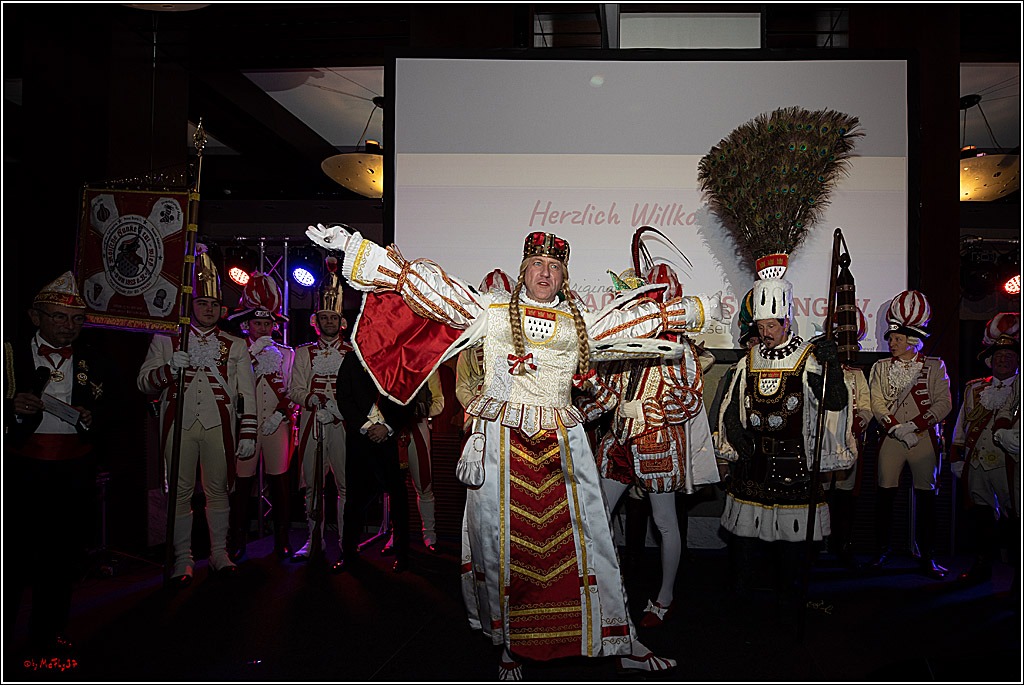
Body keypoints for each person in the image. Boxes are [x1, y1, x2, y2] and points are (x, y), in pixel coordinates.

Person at [307, 222, 722, 678]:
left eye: (555, 267)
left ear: (565, 276)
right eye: (537, 265)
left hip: (564, 450)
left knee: (590, 546)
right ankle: (509, 647)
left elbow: (630, 320)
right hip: (502, 450)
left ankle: (615, 639)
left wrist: (691, 309)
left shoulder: (579, 322)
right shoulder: (491, 309)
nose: (545, 273)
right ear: (523, 270)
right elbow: (430, 289)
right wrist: (355, 247)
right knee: (504, 552)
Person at [576, 266, 719, 628]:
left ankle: (664, 597)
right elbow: (611, 398)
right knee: (597, 515)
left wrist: (647, 409)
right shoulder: (620, 342)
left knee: (666, 523)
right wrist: (585, 394)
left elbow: (690, 398)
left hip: (657, 446)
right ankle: (600, 587)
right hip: (619, 442)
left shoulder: (678, 343)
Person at [714, 270, 853, 618]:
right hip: (752, 464)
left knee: (791, 544)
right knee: (743, 539)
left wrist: (833, 365)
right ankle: (740, 595)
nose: (765, 334)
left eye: (771, 327)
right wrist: (736, 433)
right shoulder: (749, 360)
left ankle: (788, 597)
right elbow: (732, 405)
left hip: (796, 467)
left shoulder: (809, 358)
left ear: (787, 320)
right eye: (760, 328)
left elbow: (834, 402)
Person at [137, 248, 257, 587]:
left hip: (219, 426)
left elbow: (245, 392)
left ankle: (219, 552)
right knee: (179, 492)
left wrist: (247, 433)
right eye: (203, 303)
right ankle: (183, 558)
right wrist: (168, 368)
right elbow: (143, 381)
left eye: (214, 305)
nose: (208, 310)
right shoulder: (166, 337)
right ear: (191, 305)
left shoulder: (235, 344)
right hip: (178, 424)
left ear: (222, 309)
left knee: (219, 489)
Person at [5, 273, 108, 657]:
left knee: (60, 559)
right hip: (20, 469)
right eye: (60, 318)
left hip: (72, 470)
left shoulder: (95, 356)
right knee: (11, 558)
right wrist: (10, 409)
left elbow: (116, 411)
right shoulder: (8, 352)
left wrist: (92, 416)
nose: (70, 327)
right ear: (35, 317)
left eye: (77, 319)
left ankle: (46, 639)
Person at [867, 290, 952, 579]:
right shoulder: (879, 368)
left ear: (912, 341)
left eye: (898, 339)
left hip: (923, 440)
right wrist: (894, 427)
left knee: (927, 499)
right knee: (885, 496)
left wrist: (914, 426)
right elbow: (876, 401)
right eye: (891, 338)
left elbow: (944, 403)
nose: (892, 343)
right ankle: (881, 551)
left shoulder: (934, 366)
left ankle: (927, 555)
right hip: (892, 439)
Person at [226, 273, 295, 561]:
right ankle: (237, 538)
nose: (264, 327)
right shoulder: (237, 352)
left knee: (279, 483)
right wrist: (251, 358)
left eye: (268, 323)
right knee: (242, 483)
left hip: (276, 424)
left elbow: (292, 389)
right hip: (248, 426)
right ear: (247, 325)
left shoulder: (286, 354)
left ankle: (282, 539)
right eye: (258, 323)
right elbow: (232, 391)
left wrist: (281, 415)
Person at [950, 313, 1019, 585]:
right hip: (977, 463)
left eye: (1009, 357)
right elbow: (961, 425)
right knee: (981, 519)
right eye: (999, 357)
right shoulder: (974, 388)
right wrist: (956, 458)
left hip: (1009, 464)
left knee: (1014, 520)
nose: (1003, 360)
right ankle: (981, 567)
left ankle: (1015, 577)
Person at [289, 257, 351, 560]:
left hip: (343, 427)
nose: (328, 322)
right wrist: (311, 400)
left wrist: (338, 410)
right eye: (324, 317)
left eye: (333, 318)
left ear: (341, 322)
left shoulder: (353, 354)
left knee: (345, 486)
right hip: (313, 425)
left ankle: (343, 541)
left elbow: (358, 395)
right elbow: (294, 389)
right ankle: (313, 540)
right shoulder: (303, 353)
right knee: (312, 486)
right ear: (316, 320)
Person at [334, 352, 417, 573]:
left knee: (399, 501)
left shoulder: (401, 357)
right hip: (361, 439)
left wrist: (388, 427)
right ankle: (349, 554)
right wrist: (365, 426)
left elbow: (409, 397)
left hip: (390, 439)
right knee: (354, 501)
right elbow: (343, 397)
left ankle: (402, 555)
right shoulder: (352, 359)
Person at [822, 307, 872, 570]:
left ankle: (843, 548)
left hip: (848, 443)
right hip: (822, 443)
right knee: (819, 498)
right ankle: (816, 547)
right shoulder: (819, 372)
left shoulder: (857, 374)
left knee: (845, 500)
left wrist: (860, 420)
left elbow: (866, 405)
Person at [385, 369, 444, 554]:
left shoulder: (429, 365)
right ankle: (396, 534)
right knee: (394, 486)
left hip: (417, 425)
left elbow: (439, 402)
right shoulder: (389, 362)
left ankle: (429, 533)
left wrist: (420, 409)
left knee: (424, 482)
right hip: (391, 429)